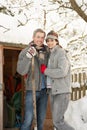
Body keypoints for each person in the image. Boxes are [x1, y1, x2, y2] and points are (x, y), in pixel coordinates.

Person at [40, 30, 75, 130]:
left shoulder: (60, 52)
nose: (50, 42)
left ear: (57, 41)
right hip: (53, 91)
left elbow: (62, 71)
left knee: (57, 122)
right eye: (48, 40)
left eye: (52, 40)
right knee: (57, 121)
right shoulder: (51, 54)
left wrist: (45, 70)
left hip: (62, 91)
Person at [17, 28, 49, 130]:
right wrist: (27, 57)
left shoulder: (47, 51)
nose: (40, 39)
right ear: (33, 37)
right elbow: (21, 71)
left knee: (41, 120)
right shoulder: (25, 51)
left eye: (42, 37)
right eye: (38, 37)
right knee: (28, 119)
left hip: (44, 91)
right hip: (32, 90)